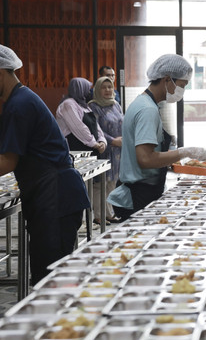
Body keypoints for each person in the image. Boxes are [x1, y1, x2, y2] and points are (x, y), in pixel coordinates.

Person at [0, 45, 90, 284]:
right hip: (49, 196)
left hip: (56, 197)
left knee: (51, 276)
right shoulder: (19, 100)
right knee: (47, 271)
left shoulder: (19, 105)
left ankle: (59, 320)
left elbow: (8, 161)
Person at [107, 54, 206, 220]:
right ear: (167, 80)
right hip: (139, 195)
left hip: (141, 189)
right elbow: (145, 159)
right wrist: (185, 152)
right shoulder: (148, 110)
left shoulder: (143, 103)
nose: (181, 91)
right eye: (181, 85)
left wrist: (170, 162)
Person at [88, 76, 123, 225]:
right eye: (104, 87)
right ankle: (99, 215)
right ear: (97, 89)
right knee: (100, 184)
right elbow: (96, 129)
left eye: (110, 87)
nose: (108, 90)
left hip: (118, 151)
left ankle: (109, 213)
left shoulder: (116, 104)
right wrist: (112, 141)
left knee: (112, 182)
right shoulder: (93, 106)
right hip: (104, 149)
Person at [56, 78, 107, 157]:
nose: (89, 92)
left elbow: (96, 126)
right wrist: (94, 143)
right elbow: (78, 127)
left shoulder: (84, 106)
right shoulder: (68, 104)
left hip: (92, 149)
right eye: (87, 89)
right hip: (77, 151)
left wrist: (102, 141)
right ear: (80, 89)